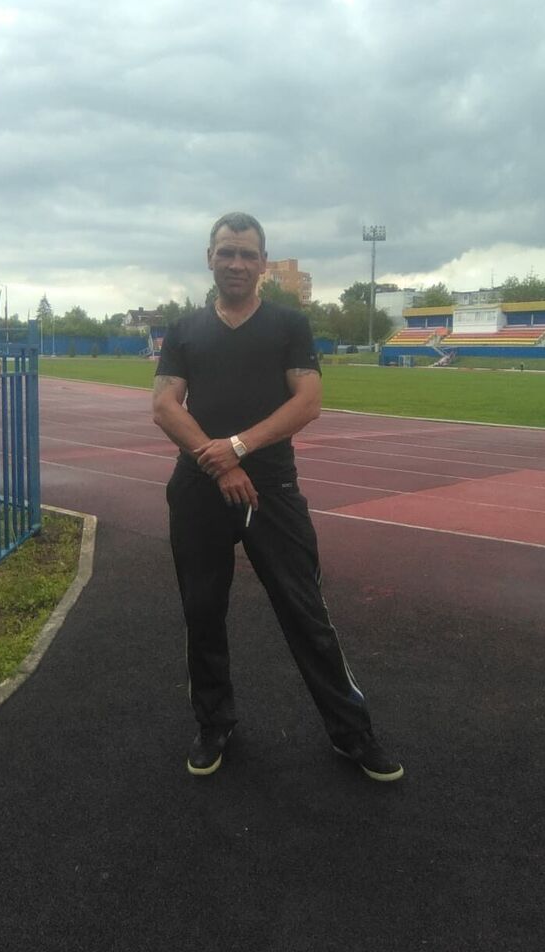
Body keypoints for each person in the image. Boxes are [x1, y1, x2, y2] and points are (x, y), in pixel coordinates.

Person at [152, 212, 403, 783]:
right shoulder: (185, 328)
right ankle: (214, 723)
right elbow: (165, 406)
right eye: (226, 252)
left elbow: (307, 402)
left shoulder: (288, 324)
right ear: (209, 258)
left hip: (271, 489)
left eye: (248, 254)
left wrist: (237, 448)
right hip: (198, 488)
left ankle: (350, 732)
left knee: (304, 609)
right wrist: (219, 463)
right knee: (201, 610)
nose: (236, 263)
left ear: (263, 263)